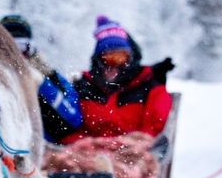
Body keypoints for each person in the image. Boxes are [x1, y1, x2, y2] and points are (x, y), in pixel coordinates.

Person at [65, 15, 173, 143]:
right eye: (107, 58)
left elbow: (153, 131)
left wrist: (124, 147)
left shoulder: (149, 86)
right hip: (87, 156)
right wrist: (89, 147)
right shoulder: (83, 87)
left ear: (130, 59)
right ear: (97, 59)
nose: (113, 65)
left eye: (120, 58)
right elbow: (69, 129)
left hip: (133, 155)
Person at [0, 14, 84, 143]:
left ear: (31, 51)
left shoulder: (49, 78)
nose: (16, 58)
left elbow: (74, 119)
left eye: (22, 48)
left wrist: (43, 82)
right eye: (8, 49)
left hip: (44, 151)